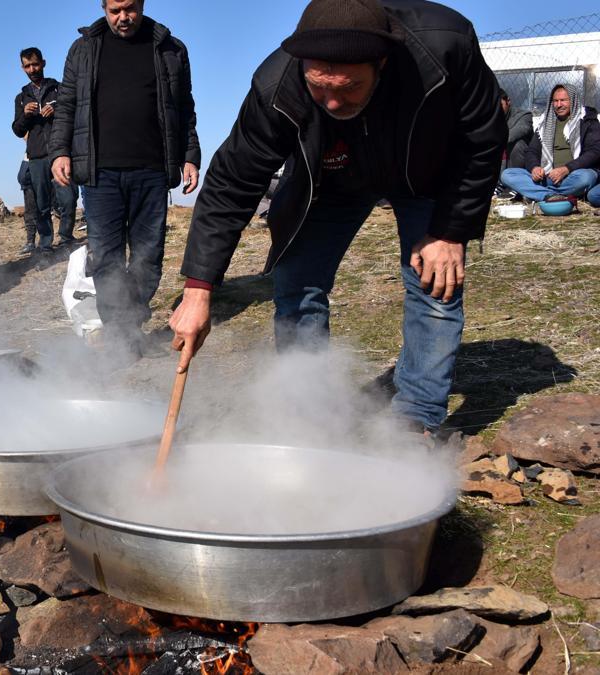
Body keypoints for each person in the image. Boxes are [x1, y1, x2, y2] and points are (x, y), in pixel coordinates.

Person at [169, 0, 506, 437]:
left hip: (428, 174)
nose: (330, 101)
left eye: (348, 88)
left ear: (381, 63)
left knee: (434, 283)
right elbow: (232, 182)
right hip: (332, 178)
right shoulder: (278, 86)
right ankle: (308, 415)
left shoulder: (444, 47)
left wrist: (451, 230)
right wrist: (198, 290)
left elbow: (483, 138)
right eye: (318, 87)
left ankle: (416, 418)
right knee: (296, 284)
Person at [50, 0, 201, 358]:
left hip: (152, 170)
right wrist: (60, 150)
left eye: (130, 8)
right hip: (100, 173)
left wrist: (190, 156)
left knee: (149, 256)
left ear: (143, 3)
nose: (123, 17)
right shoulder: (84, 48)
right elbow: (67, 103)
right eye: (115, 9)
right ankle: (121, 335)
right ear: (103, 6)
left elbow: (184, 109)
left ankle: (129, 322)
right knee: (106, 257)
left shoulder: (169, 48)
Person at [12, 47, 79, 253]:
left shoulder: (60, 89)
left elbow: (76, 115)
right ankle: (45, 243)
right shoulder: (21, 97)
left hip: (61, 152)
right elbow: (17, 129)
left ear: (43, 63)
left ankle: (66, 237)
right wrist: (25, 115)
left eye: (35, 64)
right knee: (41, 203)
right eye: (27, 66)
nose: (32, 69)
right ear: (22, 68)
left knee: (68, 198)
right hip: (37, 156)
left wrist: (57, 110)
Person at [500, 84, 599, 203]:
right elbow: (532, 151)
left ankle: (537, 193)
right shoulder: (545, 123)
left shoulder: (587, 121)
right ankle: (550, 195)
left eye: (563, 100)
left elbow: (595, 151)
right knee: (508, 174)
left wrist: (567, 169)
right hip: (547, 176)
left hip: (572, 176)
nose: (559, 105)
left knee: (586, 177)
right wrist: (534, 167)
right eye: (555, 101)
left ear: (573, 100)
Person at [500, 89, 534, 172]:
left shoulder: (524, 115)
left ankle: (514, 179)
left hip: (518, 162)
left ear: (508, 101)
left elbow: (514, 133)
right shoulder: (489, 118)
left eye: (500, 105)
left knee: (518, 144)